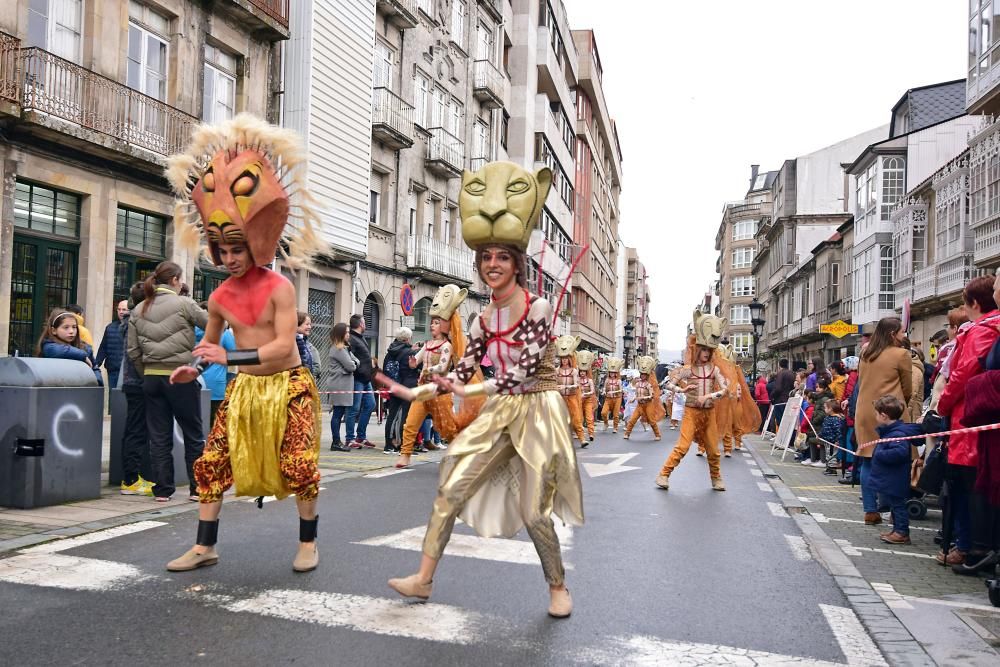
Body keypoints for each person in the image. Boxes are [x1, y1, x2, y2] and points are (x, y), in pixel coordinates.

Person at [385, 162, 582, 618]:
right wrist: (419, 390)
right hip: (500, 408)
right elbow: (464, 365)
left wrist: (470, 391)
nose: (492, 265)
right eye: (486, 258)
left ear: (517, 264)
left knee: (535, 511)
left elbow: (525, 371)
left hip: (540, 409)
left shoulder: (538, 306)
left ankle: (557, 586)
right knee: (450, 488)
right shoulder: (480, 318)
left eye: (502, 258)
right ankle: (423, 579)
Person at [162, 114, 328, 574]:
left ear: (255, 242)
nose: (231, 258)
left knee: (298, 463)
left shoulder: (280, 288)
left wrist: (227, 357)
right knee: (212, 461)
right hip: (244, 391)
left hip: (287, 385)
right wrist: (193, 370)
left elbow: (280, 347)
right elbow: (208, 347)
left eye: (237, 247)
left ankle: (308, 543)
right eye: (223, 249)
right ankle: (204, 545)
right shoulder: (217, 297)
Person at [127, 261, 208, 502]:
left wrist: (147, 372)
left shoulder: (138, 308)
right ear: (174, 280)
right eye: (181, 279)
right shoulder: (184, 303)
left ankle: (163, 489)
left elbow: (133, 351)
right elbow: (214, 325)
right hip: (180, 375)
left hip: (152, 378)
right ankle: (197, 488)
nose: (182, 283)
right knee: (193, 432)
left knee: (159, 436)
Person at [936, 276, 1000, 565]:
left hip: (969, 420)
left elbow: (964, 373)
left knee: (966, 488)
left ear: (973, 303)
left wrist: (944, 402)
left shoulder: (982, 331)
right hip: (977, 419)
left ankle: (968, 546)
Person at [396, 285, 471, 467]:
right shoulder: (428, 344)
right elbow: (418, 359)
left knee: (447, 427)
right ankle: (405, 454)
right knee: (410, 423)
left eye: (436, 322)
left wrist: (427, 370)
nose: (432, 325)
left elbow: (442, 366)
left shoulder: (447, 346)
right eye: (432, 322)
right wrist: (414, 363)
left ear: (445, 326)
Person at [657, 314, 730, 492]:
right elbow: (668, 384)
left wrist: (710, 396)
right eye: (702, 349)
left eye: (708, 350)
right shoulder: (687, 370)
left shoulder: (715, 370)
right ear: (697, 349)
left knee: (713, 449)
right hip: (691, 412)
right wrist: (681, 390)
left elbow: (726, 389)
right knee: (682, 446)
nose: (706, 353)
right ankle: (664, 474)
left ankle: (716, 478)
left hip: (709, 412)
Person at [855, 317, 912, 525]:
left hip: (866, 410)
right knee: (896, 461)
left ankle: (870, 510)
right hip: (891, 411)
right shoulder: (901, 354)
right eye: (902, 332)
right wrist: (899, 406)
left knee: (868, 459)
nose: (904, 335)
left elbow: (862, 381)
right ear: (892, 334)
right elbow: (907, 388)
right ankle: (892, 509)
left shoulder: (866, 353)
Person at [865, 396, 923, 545]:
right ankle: (897, 530)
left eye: (877, 414)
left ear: (884, 416)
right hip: (891, 478)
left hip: (895, 478)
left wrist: (880, 454)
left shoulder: (896, 435)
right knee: (895, 505)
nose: (876, 416)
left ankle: (902, 532)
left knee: (898, 506)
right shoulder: (891, 432)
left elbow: (900, 453)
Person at [118, 282, 153, 496]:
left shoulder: (130, 320)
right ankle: (130, 479)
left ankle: (133, 477)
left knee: (135, 429)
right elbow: (137, 353)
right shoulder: (138, 321)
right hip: (138, 381)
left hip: (132, 381)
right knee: (136, 431)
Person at [194, 308, 237, 426]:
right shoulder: (224, 334)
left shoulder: (189, 330)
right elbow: (234, 355)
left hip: (195, 382)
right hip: (216, 385)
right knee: (215, 424)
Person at [37, 309, 102, 385]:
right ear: (54, 330)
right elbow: (56, 350)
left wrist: (97, 382)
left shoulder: (85, 348)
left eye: (74, 327)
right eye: (66, 327)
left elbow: (95, 368)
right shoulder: (49, 346)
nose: (71, 331)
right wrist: (82, 356)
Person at [382, 327, 414, 453]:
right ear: (407, 339)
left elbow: (385, 369)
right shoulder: (408, 352)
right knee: (404, 417)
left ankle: (388, 444)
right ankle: (401, 445)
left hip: (393, 386)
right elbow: (414, 368)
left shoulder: (390, 351)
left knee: (392, 415)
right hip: (405, 386)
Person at [346, 314, 376, 448]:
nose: (365, 325)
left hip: (366, 379)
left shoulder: (361, 338)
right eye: (364, 322)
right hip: (357, 378)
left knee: (371, 404)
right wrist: (359, 369)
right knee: (354, 409)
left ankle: (360, 436)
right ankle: (349, 438)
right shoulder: (352, 339)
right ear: (360, 324)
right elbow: (349, 356)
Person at [327, 322, 358, 452]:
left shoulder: (344, 348)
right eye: (346, 332)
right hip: (339, 384)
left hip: (342, 383)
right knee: (338, 414)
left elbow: (356, 361)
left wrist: (352, 365)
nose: (348, 334)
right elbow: (351, 366)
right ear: (341, 334)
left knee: (339, 414)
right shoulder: (338, 349)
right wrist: (351, 366)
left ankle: (337, 441)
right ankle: (336, 441)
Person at [623, 356, 663, 441]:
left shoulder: (649, 384)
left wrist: (644, 397)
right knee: (632, 419)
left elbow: (652, 395)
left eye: (644, 375)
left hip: (648, 404)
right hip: (639, 405)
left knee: (652, 421)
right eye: (642, 374)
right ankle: (627, 434)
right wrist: (634, 398)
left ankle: (657, 435)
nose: (643, 376)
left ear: (647, 375)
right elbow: (636, 393)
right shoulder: (637, 384)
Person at [556, 335, 587, 443]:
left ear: (569, 359)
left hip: (572, 397)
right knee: (559, 418)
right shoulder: (557, 370)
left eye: (566, 359)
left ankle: (582, 439)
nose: (564, 361)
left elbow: (576, 385)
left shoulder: (574, 371)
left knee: (576, 418)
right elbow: (553, 383)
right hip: (560, 398)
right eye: (562, 359)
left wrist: (566, 386)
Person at [95, 299, 128, 391]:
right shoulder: (110, 327)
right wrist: (96, 364)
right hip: (112, 370)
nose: (121, 312)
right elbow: (103, 348)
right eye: (119, 309)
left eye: (124, 309)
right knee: (113, 398)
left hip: (128, 372)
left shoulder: (134, 327)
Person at [577, 350, 598, 443]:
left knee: (589, 417)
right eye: (581, 371)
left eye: (583, 372)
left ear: (586, 372)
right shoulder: (576, 379)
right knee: (579, 418)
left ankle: (591, 434)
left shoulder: (589, 380)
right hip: (579, 401)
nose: (582, 373)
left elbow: (592, 391)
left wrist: (585, 394)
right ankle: (580, 434)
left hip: (588, 400)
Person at [769, 358, 795, 432]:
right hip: (789, 399)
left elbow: (778, 388)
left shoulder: (780, 373)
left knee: (780, 420)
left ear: (779, 365)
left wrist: (772, 396)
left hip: (780, 400)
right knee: (787, 420)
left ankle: (781, 437)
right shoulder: (791, 373)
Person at [600, 356, 624, 432]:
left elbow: (621, 390)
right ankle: (606, 423)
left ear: (616, 373)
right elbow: (604, 387)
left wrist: (614, 392)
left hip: (617, 398)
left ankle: (615, 427)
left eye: (613, 373)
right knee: (603, 412)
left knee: (615, 414)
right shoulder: (607, 380)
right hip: (608, 398)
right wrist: (604, 391)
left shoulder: (619, 381)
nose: (612, 374)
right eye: (611, 372)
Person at [295, 311, 317, 376]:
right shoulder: (295, 341)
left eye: (310, 324)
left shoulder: (304, 341)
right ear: (297, 325)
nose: (310, 327)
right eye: (307, 324)